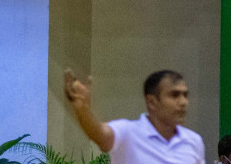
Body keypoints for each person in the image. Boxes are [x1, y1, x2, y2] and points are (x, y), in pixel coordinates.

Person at [62, 69, 204, 164]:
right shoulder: (128, 132)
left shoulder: (194, 141)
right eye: (174, 95)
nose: (183, 102)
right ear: (152, 102)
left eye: (185, 95)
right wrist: (82, 109)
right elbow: (99, 134)